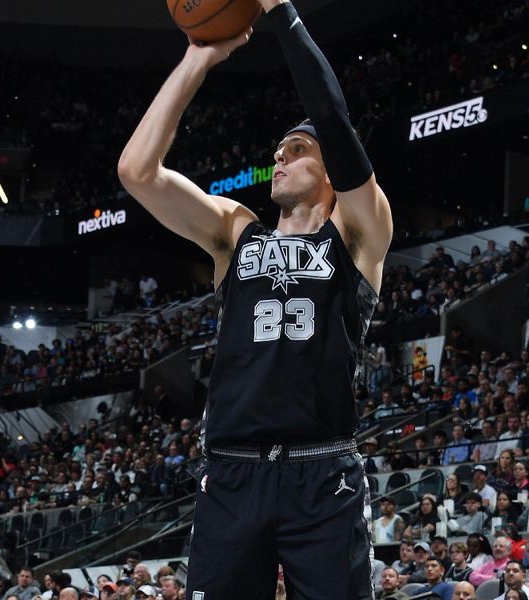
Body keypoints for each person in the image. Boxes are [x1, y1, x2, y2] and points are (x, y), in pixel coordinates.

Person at [118, 0, 392, 596]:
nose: (278, 158)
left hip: (322, 471)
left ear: (329, 171)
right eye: (278, 151)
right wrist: (198, 58)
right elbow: (138, 171)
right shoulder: (236, 231)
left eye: (295, 150)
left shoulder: (357, 232)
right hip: (233, 469)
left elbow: (333, 119)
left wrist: (282, 15)